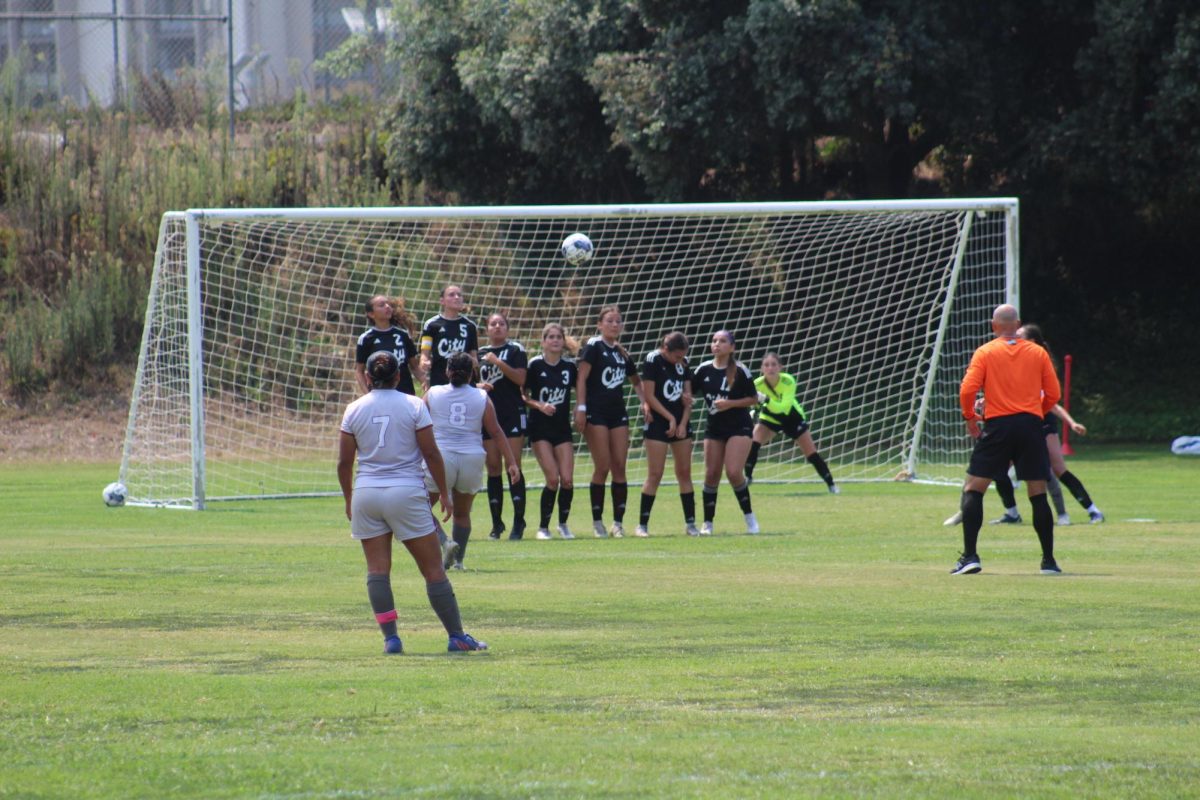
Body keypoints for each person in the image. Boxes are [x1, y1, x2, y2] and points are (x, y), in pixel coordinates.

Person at [336, 351, 488, 654]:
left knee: (377, 569)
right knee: (433, 569)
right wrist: (444, 493)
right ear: (397, 377)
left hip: (367, 492)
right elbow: (431, 453)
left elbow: (344, 462)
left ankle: (391, 639)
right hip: (405, 492)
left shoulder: (353, 409)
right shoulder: (414, 404)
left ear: (367, 378)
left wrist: (349, 497)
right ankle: (456, 635)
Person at [952, 304, 1062, 576]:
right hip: (1030, 425)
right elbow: (1053, 393)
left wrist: (969, 417)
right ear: (1018, 324)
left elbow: (967, 388)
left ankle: (970, 557)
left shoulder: (986, 351)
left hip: (998, 425)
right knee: (1037, 492)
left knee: (973, 488)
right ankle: (1048, 562)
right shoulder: (1037, 352)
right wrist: (1036, 411)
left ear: (993, 326)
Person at [425, 351, 521, 570]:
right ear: (471, 375)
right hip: (472, 457)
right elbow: (496, 432)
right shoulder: (481, 397)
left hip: (441, 457)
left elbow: (418, 422)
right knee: (462, 513)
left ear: (447, 371)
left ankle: (445, 543)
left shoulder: (434, 393)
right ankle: (459, 562)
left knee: (421, 510)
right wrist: (512, 463)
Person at [1018, 323, 1105, 524]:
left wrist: (1072, 423)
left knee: (1057, 469)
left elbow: (1052, 404)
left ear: (1031, 342)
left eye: (1020, 336)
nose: (1015, 339)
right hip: (1023, 421)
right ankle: (1009, 512)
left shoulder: (1040, 363)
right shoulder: (1018, 362)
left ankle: (1092, 510)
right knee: (997, 466)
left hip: (1042, 422)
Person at [574, 306, 644, 538]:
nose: (615, 325)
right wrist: (581, 407)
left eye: (618, 321)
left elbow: (635, 380)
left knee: (620, 467)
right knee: (602, 466)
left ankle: (618, 523)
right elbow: (581, 377)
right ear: (600, 324)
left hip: (617, 413)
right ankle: (597, 522)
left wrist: (644, 402)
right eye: (610, 321)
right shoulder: (594, 346)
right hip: (596, 412)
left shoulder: (621, 353)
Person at [691, 330, 759, 535]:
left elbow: (753, 398)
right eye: (714, 341)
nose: (717, 344)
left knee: (733, 472)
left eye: (722, 341)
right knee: (711, 474)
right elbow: (689, 391)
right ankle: (708, 523)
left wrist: (730, 404)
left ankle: (750, 518)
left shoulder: (740, 370)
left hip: (739, 426)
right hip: (715, 428)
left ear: (732, 347)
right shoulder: (703, 369)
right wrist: (687, 399)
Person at [743, 352, 839, 494]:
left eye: (774, 364)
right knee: (752, 443)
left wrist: (766, 400)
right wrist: (752, 410)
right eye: (767, 365)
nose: (770, 368)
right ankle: (748, 478)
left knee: (811, 453)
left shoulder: (788, 381)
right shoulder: (757, 384)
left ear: (780, 367)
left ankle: (831, 485)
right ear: (762, 368)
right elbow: (753, 403)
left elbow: (784, 408)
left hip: (792, 418)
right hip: (770, 417)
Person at [637, 331, 700, 537]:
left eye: (683, 356)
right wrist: (670, 418)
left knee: (684, 472)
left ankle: (691, 524)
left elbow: (688, 396)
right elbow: (649, 395)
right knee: (655, 473)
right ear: (666, 349)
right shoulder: (652, 360)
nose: (680, 360)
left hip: (680, 424)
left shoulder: (684, 362)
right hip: (658, 423)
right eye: (677, 356)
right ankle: (642, 525)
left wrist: (682, 422)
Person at [524, 322, 579, 540]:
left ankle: (563, 524)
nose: (555, 340)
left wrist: (579, 407)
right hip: (540, 429)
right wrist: (539, 405)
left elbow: (580, 388)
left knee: (567, 479)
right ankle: (543, 527)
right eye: (551, 337)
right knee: (553, 479)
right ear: (543, 341)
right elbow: (522, 395)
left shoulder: (569, 367)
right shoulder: (535, 365)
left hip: (562, 428)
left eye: (559, 337)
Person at [477, 312, 529, 540]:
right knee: (493, 467)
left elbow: (520, 379)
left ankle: (519, 522)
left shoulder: (515, 351)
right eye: (493, 324)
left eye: (501, 324)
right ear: (487, 329)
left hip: (512, 414)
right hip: (488, 414)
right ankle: (496, 523)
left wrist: (498, 362)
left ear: (507, 328)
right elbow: (468, 382)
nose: (497, 327)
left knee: (513, 465)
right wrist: (478, 385)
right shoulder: (478, 354)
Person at [354, 295, 424, 395]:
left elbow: (415, 367)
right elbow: (359, 371)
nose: (387, 307)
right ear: (371, 314)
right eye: (381, 305)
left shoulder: (403, 335)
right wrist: (367, 395)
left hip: (405, 394)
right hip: (379, 396)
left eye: (389, 304)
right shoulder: (366, 339)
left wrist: (426, 385)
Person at [420, 285, 478, 388]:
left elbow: (474, 357)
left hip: (464, 384)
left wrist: (473, 362)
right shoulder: (431, 324)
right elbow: (424, 354)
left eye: (459, 295)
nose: (457, 297)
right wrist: (424, 363)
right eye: (451, 295)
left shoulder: (470, 326)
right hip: (439, 381)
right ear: (442, 301)